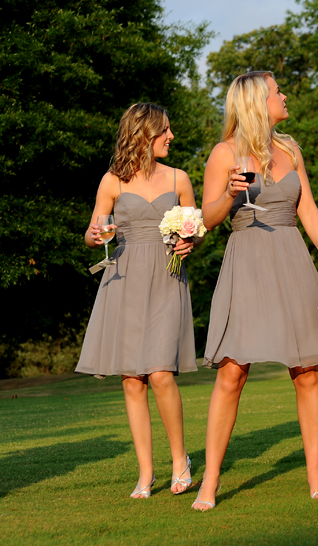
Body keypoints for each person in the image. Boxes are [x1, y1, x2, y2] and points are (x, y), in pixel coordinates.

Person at [193, 71, 318, 510]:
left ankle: (315, 474)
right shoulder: (224, 153)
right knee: (232, 372)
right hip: (247, 261)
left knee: (307, 370)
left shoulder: (290, 149)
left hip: (293, 258)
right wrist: (228, 194)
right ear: (257, 102)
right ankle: (210, 482)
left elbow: (310, 210)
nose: (285, 95)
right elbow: (207, 219)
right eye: (278, 91)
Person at [76, 103, 198, 498]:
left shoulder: (179, 178)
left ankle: (180, 460)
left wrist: (190, 240)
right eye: (165, 130)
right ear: (145, 132)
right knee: (132, 379)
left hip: (166, 277)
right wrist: (96, 236)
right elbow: (93, 232)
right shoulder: (112, 181)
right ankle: (146, 474)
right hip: (124, 279)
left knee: (160, 372)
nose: (171, 137)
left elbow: (196, 228)